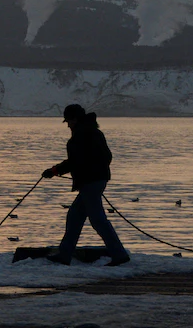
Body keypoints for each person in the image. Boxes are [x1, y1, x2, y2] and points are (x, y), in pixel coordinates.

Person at [41, 104, 130, 266]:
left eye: (68, 121)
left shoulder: (81, 136)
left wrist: (54, 171)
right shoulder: (94, 132)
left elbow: (75, 161)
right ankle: (64, 255)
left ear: (75, 119)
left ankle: (119, 254)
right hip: (95, 181)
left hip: (91, 183)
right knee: (74, 216)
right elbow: (107, 157)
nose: (67, 125)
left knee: (98, 220)